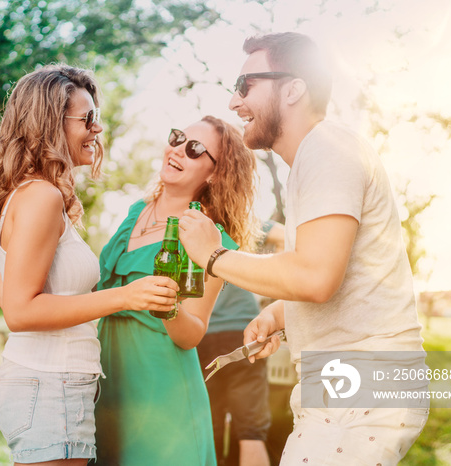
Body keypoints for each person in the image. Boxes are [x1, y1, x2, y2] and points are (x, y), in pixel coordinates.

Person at [179, 32, 428, 465]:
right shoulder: (314, 161)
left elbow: (315, 278)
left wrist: (214, 257)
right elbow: (332, 273)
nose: (235, 103)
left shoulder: (327, 150)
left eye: (245, 87)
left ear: (293, 88)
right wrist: (280, 313)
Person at [0, 64, 179, 466]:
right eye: (88, 119)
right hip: (50, 386)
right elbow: (18, 309)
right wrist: (126, 296)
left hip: (51, 385)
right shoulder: (40, 197)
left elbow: (8, 293)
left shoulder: (37, 195)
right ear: (49, 124)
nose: (97, 129)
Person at [95, 116, 258, 465]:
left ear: (215, 173)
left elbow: (193, 333)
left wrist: (168, 305)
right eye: (177, 138)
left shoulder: (209, 238)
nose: (179, 150)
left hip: (162, 392)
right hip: (110, 382)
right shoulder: (136, 211)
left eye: (195, 149)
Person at [196, 220, 284, 466]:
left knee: (207, 431)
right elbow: (288, 237)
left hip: (200, 334)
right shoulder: (243, 222)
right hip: (243, 333)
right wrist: (270, 286)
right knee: (251, 432)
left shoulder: (190, 226)